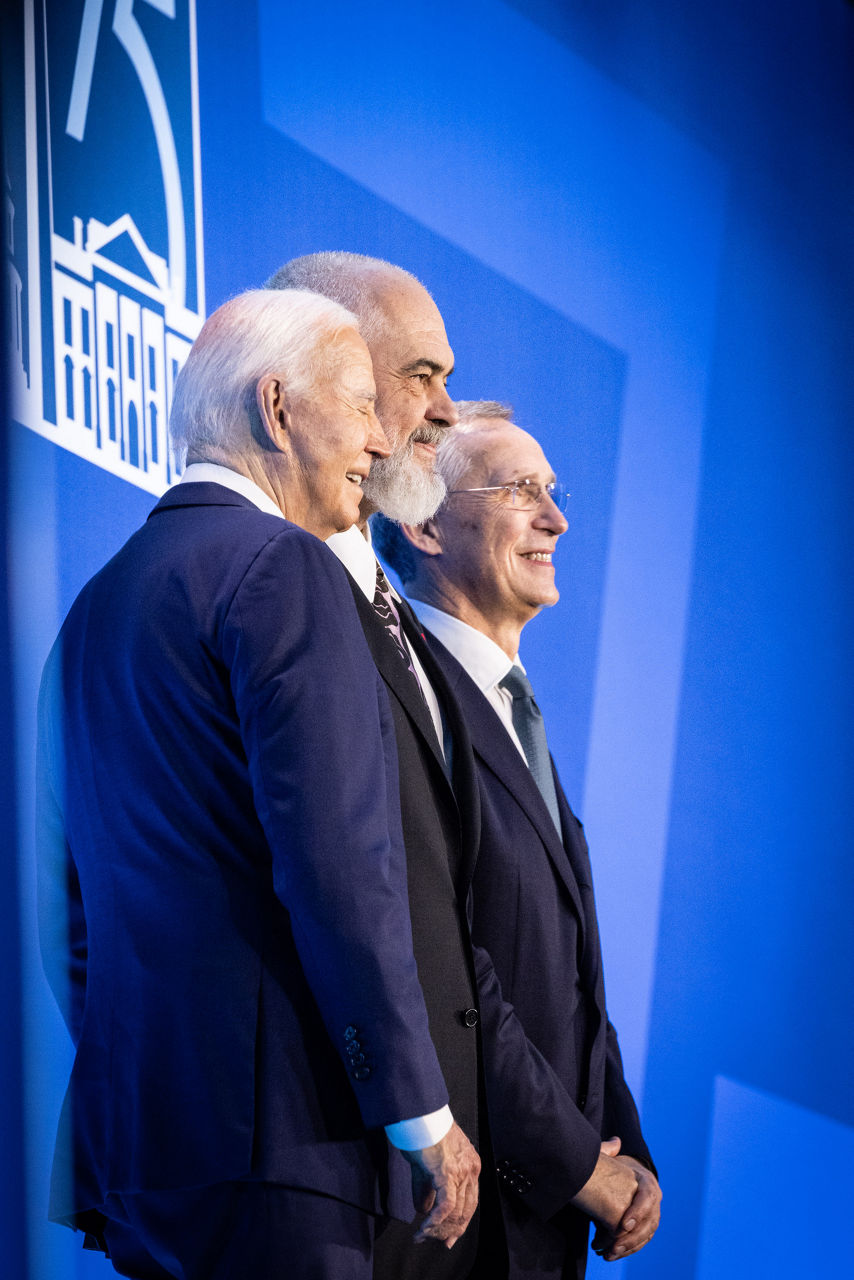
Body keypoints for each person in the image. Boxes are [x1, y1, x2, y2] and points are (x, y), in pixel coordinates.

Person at [36, 289, 481, 1280]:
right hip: (284, 1148)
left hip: (140, 1153)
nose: (379, 440)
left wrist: (156, 1069)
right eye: (359, 404)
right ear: (276, 407)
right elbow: (340, 868)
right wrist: (419, 1113)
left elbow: (61, 909)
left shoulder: (92, 607)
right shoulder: (287, 569)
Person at [371, 402, 662, 1279]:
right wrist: (577, 1166)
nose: (557, 520)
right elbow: (447, 965)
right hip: (453, 1227)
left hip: (541, 1226)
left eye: (553, 489)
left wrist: (628, 1154)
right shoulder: (402, 698)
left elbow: (568, 975)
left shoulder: (510, 706)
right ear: (425, 526)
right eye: (519, 491)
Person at [265, 254, 500, 1279]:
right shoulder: (264, 593)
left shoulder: (404, 622)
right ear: (335, 373)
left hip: (435, 1195)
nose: (445, 409)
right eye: (419, 376)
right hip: (311, 1170)